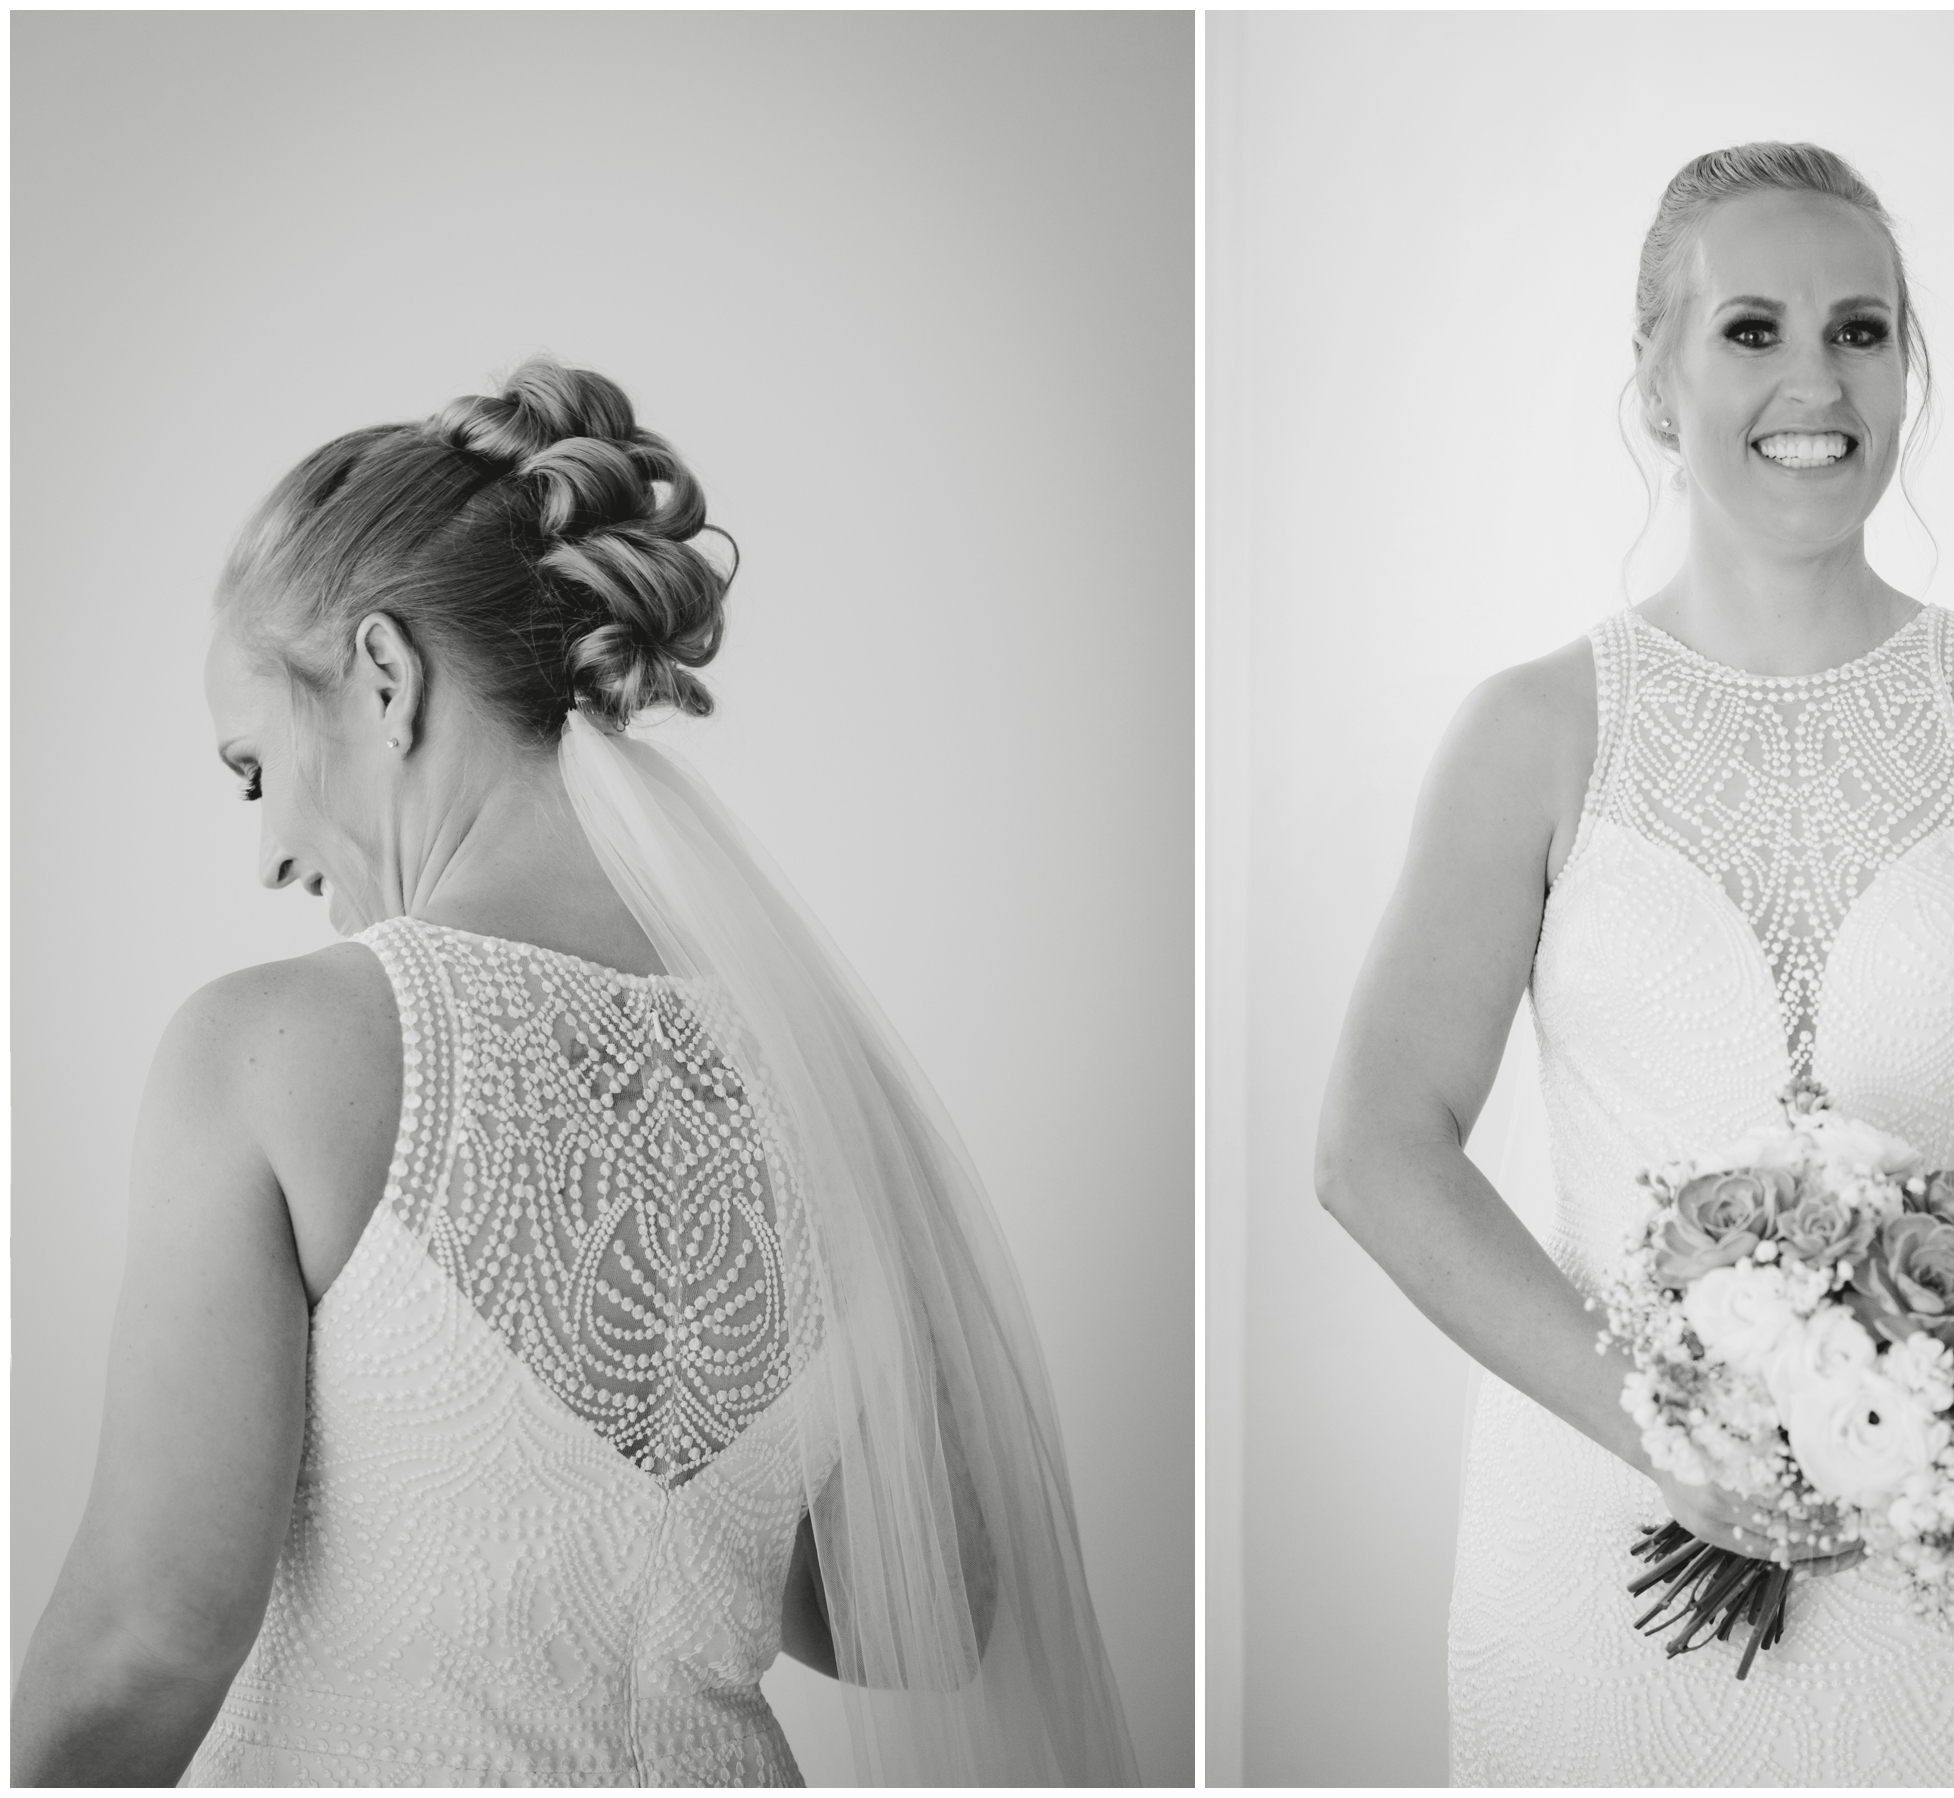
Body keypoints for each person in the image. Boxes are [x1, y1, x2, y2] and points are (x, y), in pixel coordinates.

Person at [11, 359, 1138, 1786]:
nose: (270, 853)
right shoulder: (812, 1072)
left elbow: (149, 1641)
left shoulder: (268, 1054)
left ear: (381, 673)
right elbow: (918, 1619)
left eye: (254, 769)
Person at [1315, 143, 1954, 1786]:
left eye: (1862, 328)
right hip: (1599, 1552)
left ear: (1909, 370)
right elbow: (1374, 1147)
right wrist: (1665, 1435)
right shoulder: (1533, 734)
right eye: (1751, 329)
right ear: (1655, 380)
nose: (1814, 379)